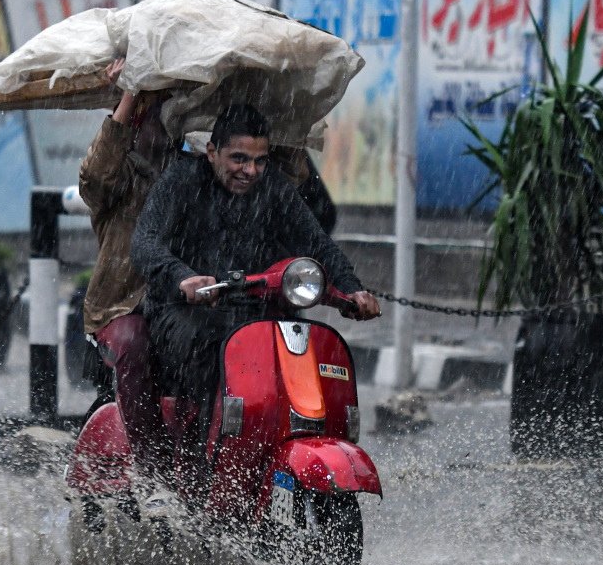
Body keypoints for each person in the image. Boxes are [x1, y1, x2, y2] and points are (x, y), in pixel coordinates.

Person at [131, 104, 380, 444]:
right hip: (183, 313)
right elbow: (144, 243)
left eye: (259, 161)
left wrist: (352, 290)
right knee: (217, 353)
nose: (250, 171)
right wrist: (183, 277)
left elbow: (317, 244)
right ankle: (207, 462)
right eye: (238, 159)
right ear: (212, 152)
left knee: (304, 351)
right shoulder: (181, 181)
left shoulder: (273, 187)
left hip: (258, 313)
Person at [78, 59, 181, 482]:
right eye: (158, 114)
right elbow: (93, 179)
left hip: (181, 306)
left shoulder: (192, 172)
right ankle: (155, 474)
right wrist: (130, 93)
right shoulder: (119, 179)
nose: (166, 125)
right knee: (136, 344)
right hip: (120, 308)